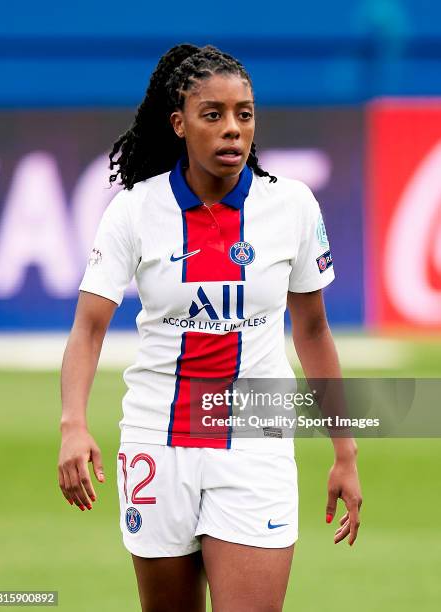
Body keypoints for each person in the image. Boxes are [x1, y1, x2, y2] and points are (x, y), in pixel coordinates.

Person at [58, 43, 362, 612]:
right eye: (213, 114)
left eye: (244, 114)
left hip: (256, 439)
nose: (232, 130)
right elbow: (88, 330)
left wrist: (345, 451)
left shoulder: (292, 205)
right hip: (157, 438)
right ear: (179, 124)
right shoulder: (134, 209)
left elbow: (314, 331)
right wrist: (73, 423)